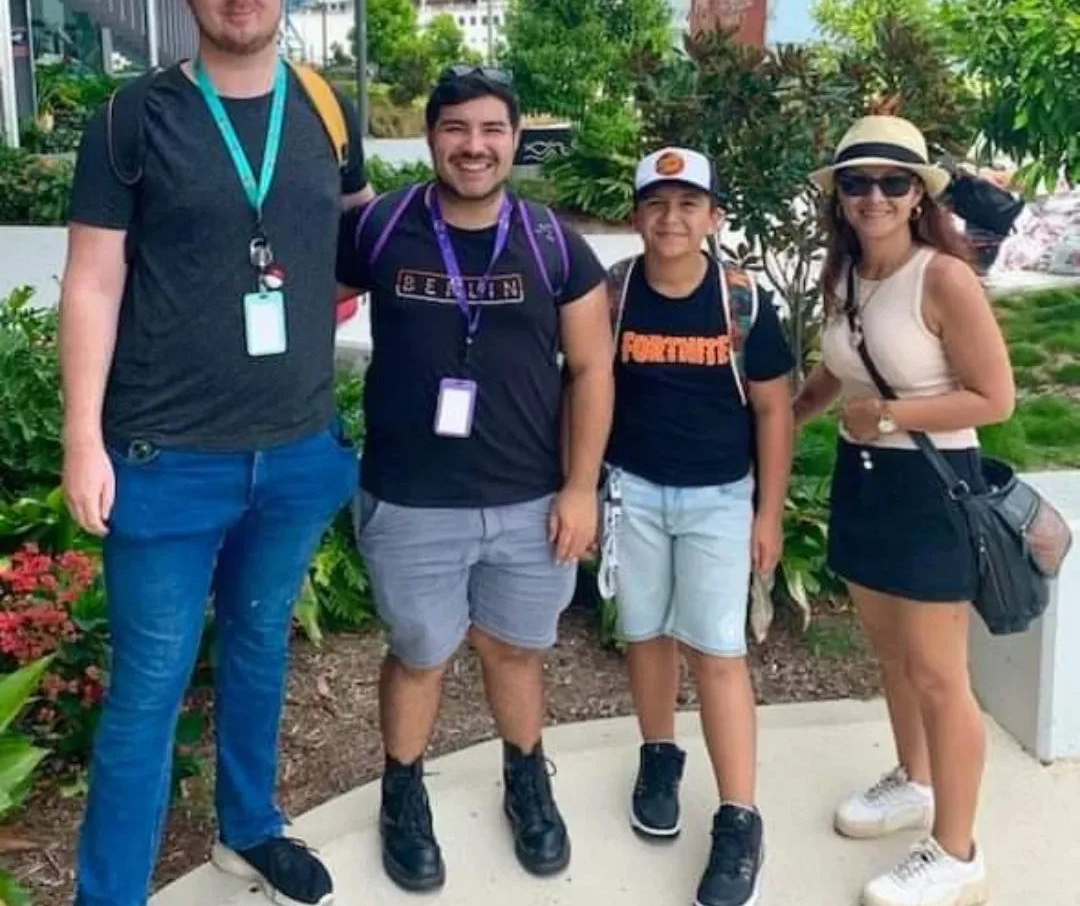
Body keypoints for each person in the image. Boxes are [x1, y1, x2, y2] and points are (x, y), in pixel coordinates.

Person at [60, 0, 370, 906]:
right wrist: (80, 439)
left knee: (257, 649)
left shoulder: (328, 107)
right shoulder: (132, 119)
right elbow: (94, 284)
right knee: (147, 693)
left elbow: (362, 242)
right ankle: (110, 893)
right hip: (164, 457)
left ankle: (249, 825)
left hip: (294, 450)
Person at [335, 67, 613, 892]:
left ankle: (526, 777)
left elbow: (592, 368)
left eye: (492, 129)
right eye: (456, 129)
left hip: (530, 500)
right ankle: (403, 791)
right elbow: (306, 303)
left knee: (516, 652)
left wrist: (579, 487)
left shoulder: (552, 241)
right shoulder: (383, 227)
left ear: (515, 139)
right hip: (411, 498)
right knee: (420, 654)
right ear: (431, 139)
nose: (474, 146)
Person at [793, 117, 1015, 906]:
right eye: (857, 182)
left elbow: (995, 396)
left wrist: (890, 418)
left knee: (938, 675)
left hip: (930, 487)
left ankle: (957, 851)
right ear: (839, 197)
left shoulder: (941, 278)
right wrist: (784, 414)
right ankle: (916, 781)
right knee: (889, 656)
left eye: (894, 182)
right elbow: (837, 373)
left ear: (921, 194)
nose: (875, 196)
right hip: (865, 484)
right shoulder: (849, 274)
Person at [600, 148, 794, 906]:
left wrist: (768, 513)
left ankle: (739, 817)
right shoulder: (614, 295)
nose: (671, 219)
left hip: (719, 499)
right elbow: (587, 388)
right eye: (657, 203)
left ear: (714, 216)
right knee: (645, 634)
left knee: (717, 652)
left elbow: (775, 409)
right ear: (636, 214)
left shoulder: (740, 299)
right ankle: (658, 755)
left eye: (689, 204)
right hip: (635, 492)